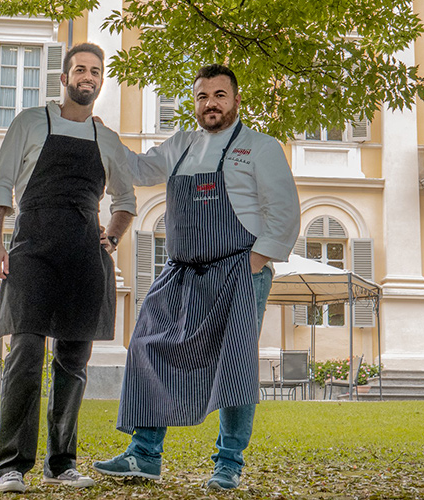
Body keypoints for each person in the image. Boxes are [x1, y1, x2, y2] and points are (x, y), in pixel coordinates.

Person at [93, 64, 300, 490]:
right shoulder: (181, 145)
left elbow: (284, 212)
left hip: (239, 271)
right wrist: (104, 136)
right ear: (195, 102)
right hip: (181, 271)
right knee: (147, 346)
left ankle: (229, 462)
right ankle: (145, 453)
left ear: (236, 100)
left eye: (220, 95)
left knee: (235, 366)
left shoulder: (260, 147)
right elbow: (137, 170)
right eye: (203, 96)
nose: (211, 104)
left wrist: (256, 262)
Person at [0, 43, 136, 493]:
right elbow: (0, 185)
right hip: (31, 252)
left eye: (95, 71)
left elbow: (126, 201)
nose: (87, 77)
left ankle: (61, 463)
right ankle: (12, 465)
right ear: (64, 78)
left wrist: (113, 235)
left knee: (73, 362)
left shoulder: (108, 139)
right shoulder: (30, 122)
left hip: (86, 257)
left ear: (101, 82)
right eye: (80, 69)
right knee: (25, 356)